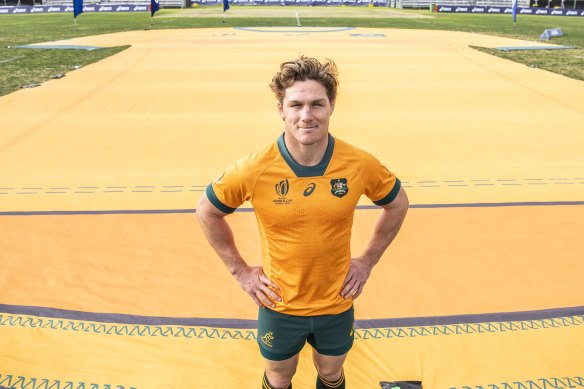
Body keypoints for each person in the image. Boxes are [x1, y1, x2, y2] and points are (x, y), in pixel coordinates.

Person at [196, 55, 409, 389]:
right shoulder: (255, 168)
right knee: (280, 376)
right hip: (279, 303)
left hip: (336, 300)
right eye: (296, 105)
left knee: (330, 373)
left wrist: (367, 261)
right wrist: (241, 272)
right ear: (281, 109)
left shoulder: (358, 164)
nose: (306, 116)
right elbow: (207, 211)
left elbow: (397, 203)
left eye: (316, 104)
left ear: (332, 106)